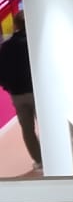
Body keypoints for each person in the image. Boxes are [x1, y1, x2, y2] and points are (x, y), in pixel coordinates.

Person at [0, 22, 36, 167]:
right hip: (35, 92)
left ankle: (39, 160)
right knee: (46, 126)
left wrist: (9, 88)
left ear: (16, 26)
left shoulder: (6, 46)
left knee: (27, 130)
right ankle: (53, 157)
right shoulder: (33, 41)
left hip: (17, 95)